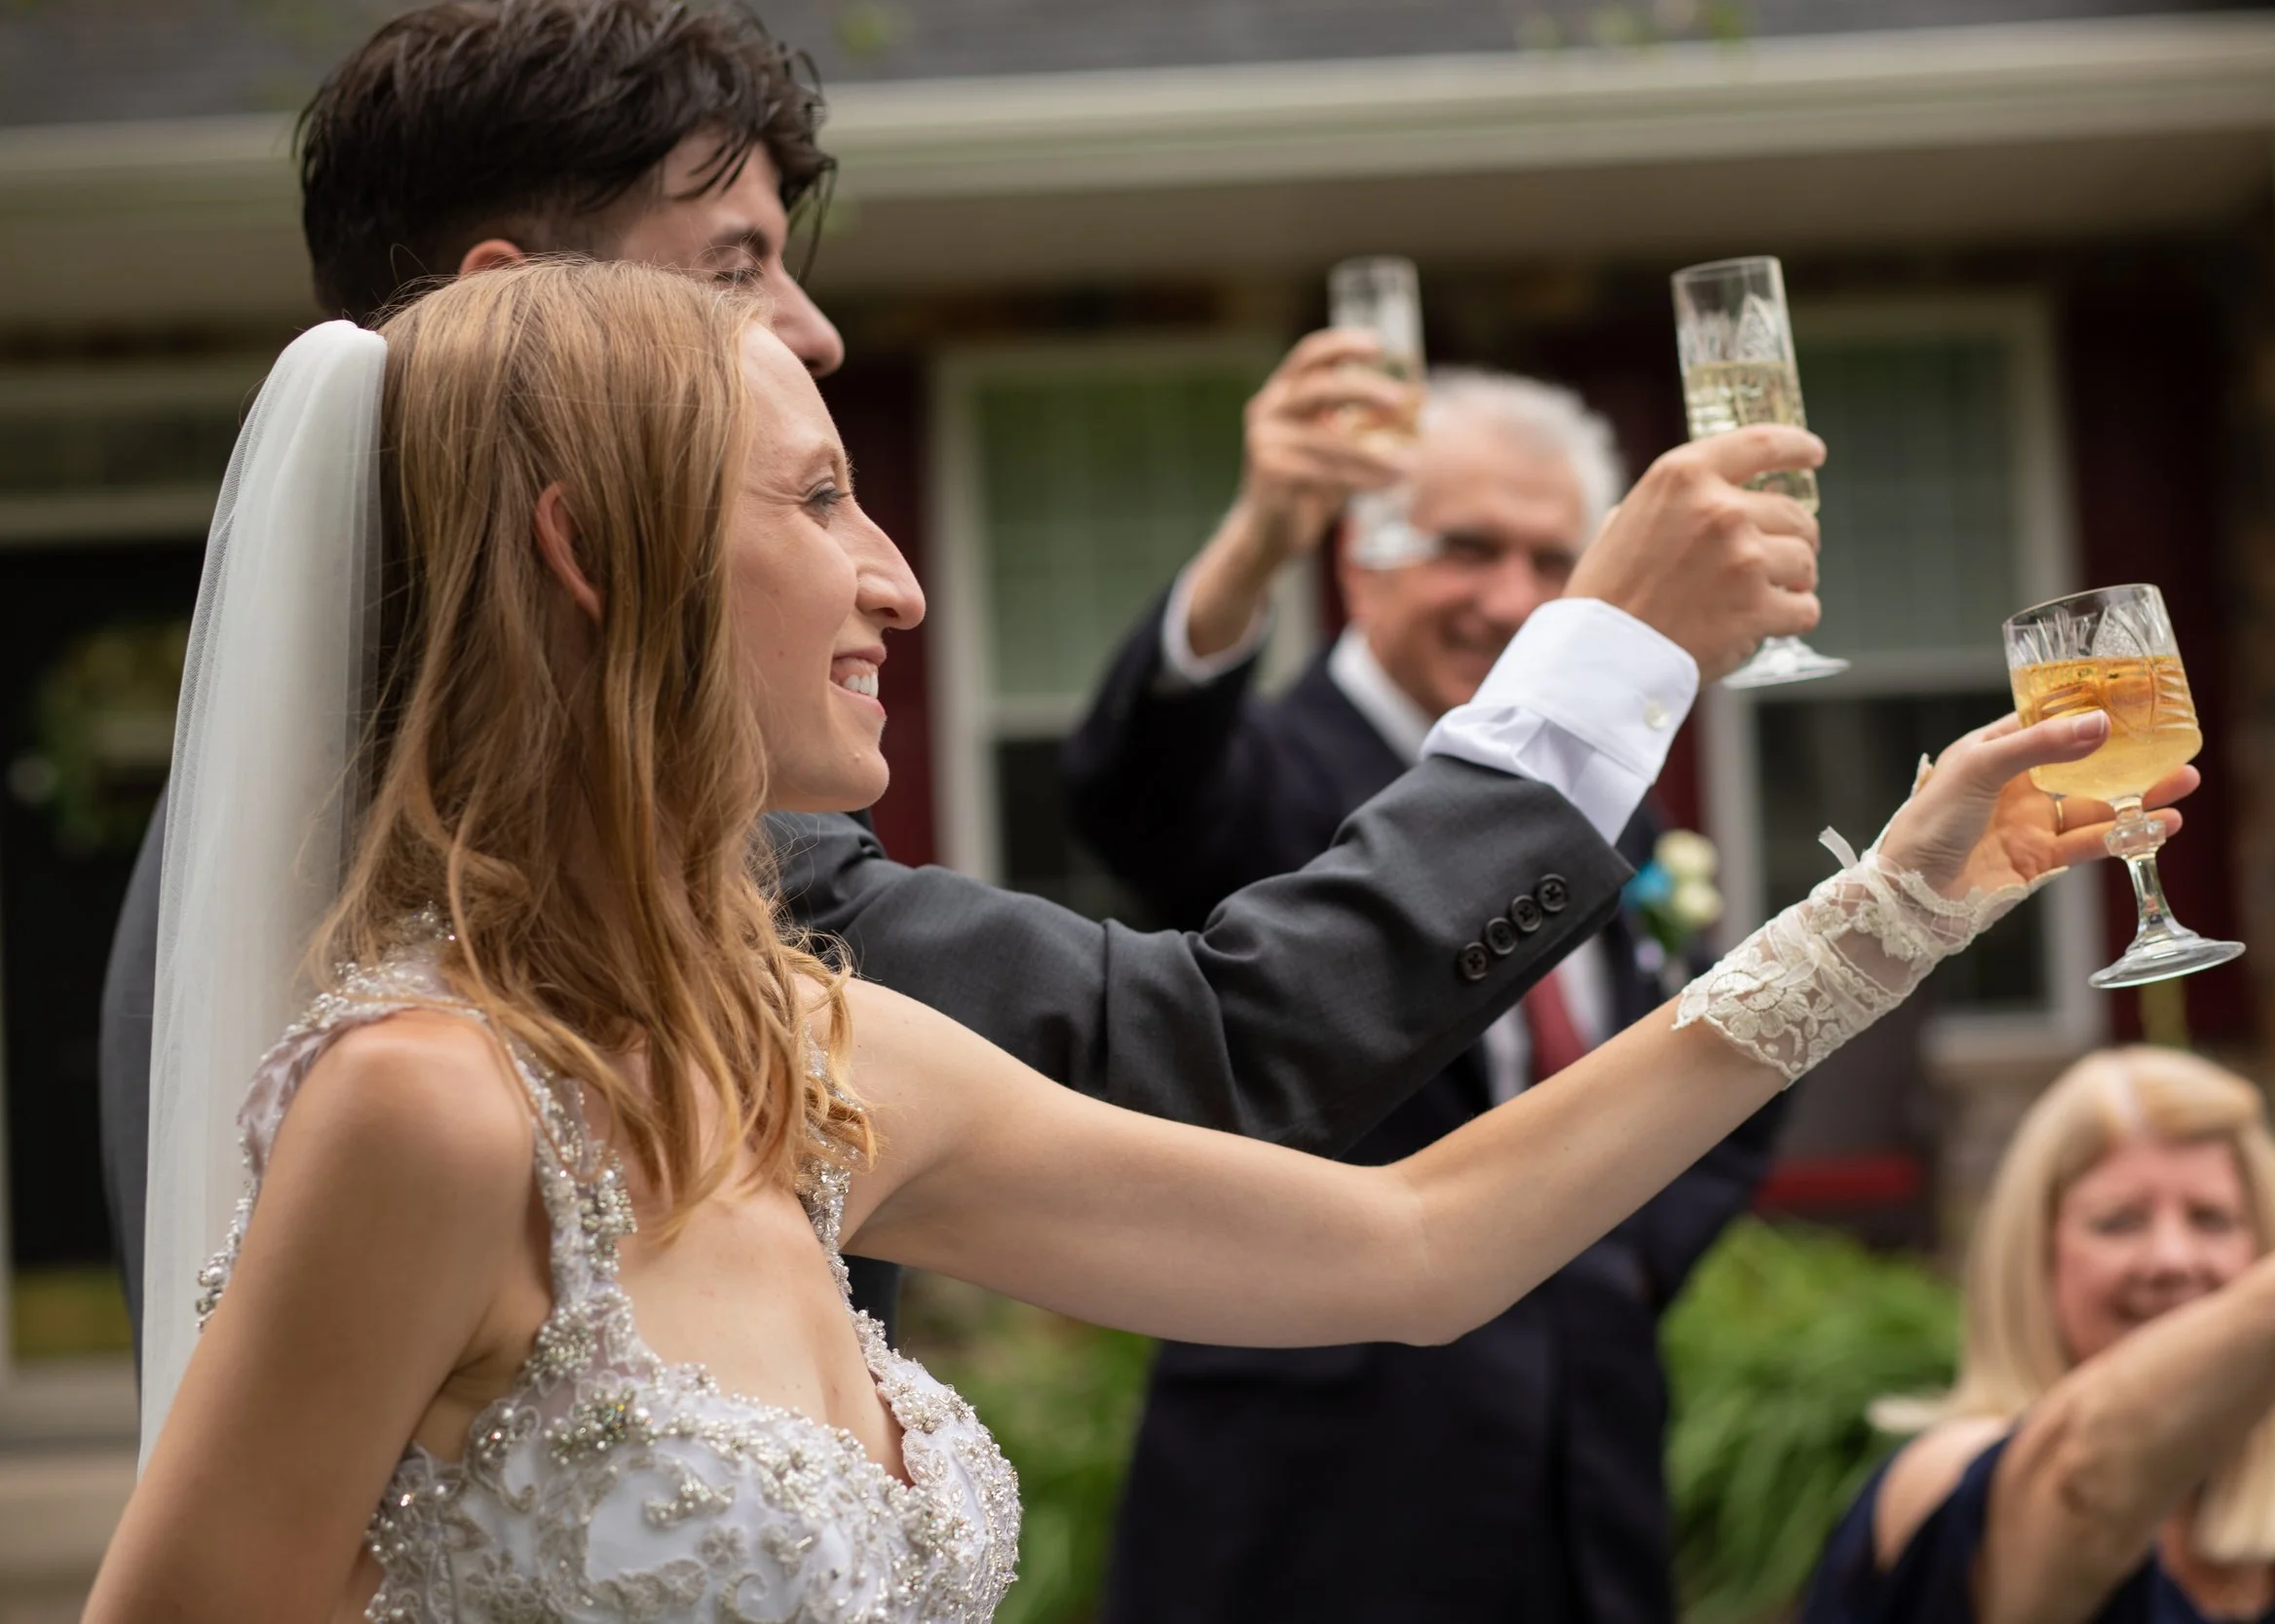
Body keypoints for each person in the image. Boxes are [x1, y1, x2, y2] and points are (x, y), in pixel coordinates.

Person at [87, 256, 2170, 1624]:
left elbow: (1411, 1244)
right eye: (817, 500)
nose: (894, 580)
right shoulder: (427, 1108)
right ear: (586, 554)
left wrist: (1892, 903)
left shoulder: (820, 1049)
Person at [95, 0, 1830, 1350]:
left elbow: (1419, 1245)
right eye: (737, 269)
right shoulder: (611, 884)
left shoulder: (274, 802)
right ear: (519, 304)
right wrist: (1605, 659)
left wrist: (1889, 909)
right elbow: (1218, 1044)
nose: (816, 330)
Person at [1067, 357, 1774, 1622]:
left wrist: (1606, 1251)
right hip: (1315, 1498)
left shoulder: (1610, 802)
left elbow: (1717, 1052)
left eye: (1553, 560)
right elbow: (1136, 784)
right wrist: (1252, 546)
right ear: (1362, 560)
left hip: (1586, 1475)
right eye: (1468, 547)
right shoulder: (1263, 772)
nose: (1511, 598)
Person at [1801, 1046, 2275, 1624]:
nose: (2171, 1258)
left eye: (2211, 1218)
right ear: (2036, 1258)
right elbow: (2085, 1478)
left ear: (2266, 1241)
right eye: (2118, 1221)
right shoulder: (1943, 1490)